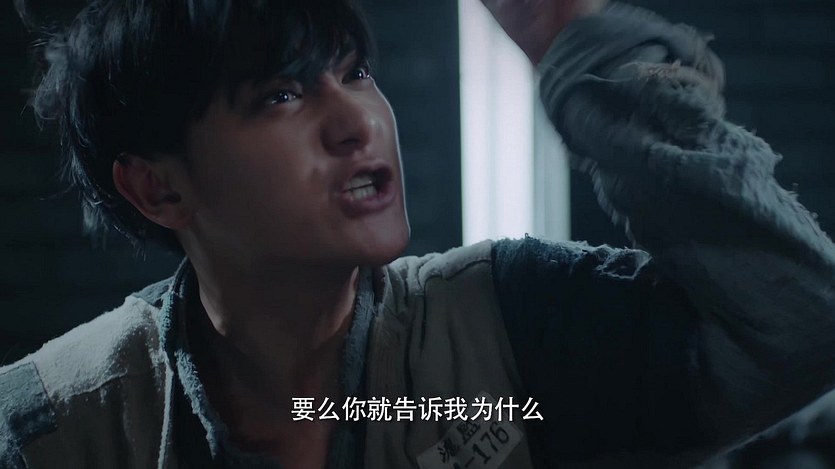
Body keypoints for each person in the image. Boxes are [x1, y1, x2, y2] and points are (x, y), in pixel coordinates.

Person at [2, 0, 834, 467]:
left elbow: (800, 319)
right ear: (157, 186)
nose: (356, 122)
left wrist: (586, 61)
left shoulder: (514, 321)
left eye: (354, 73)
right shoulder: (58, 425)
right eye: (281, 96)